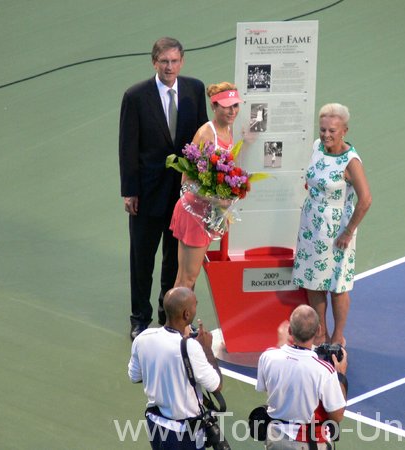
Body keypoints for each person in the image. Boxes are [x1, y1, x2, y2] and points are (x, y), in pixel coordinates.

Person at [119, 37, 208, 340]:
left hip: (182, 196)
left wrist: (202, 186)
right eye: (164, 61)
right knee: (142, 260)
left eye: (174, 61)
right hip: (146, 194)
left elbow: (202, 139)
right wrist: (130, 191)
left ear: (182, 62)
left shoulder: (195, 90)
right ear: (154, 62)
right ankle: (139, 318)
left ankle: (165, 314)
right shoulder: (136, 96)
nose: (169, 67)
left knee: (174, 259)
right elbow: (127, 147)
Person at [292, 103, 372, 346]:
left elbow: (366, 199)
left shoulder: (351, 161)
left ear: (344, 131)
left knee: (337, 286)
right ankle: (320, 335)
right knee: (314, 282)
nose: (326, 135)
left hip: (336, 230)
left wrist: (348, 231)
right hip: (311, 226)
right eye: (323, 129)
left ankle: (337, 337)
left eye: (332, 131)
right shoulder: (317, 147)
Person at [169, 82, 243, 290]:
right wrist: (218, 200)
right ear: (214, 107)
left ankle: (180, 323)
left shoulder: (229, 130)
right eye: (227, 106)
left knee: (188, 279)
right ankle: (175, 323)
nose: (232, 111)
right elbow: (187, 183)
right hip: (194, 213)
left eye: (235, 105)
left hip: (209, 214)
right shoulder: (206, 135)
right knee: (187, 279)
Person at [128, 287, 222, 450]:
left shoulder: (143, 338)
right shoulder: (190, 347)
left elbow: (134, 376)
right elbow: (216, 385)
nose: (196, 306)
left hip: (155, 425)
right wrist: (207, 349)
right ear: (186, 314)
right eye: (195, 305)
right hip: (183, 434)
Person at [256, 305, 348, 449]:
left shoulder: (267, 357)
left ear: (290, 330)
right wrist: (341, 375)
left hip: (275, 439)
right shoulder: (324, 371)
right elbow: (337, 416)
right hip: (309, 442)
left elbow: (268, 386)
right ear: (318, 330)